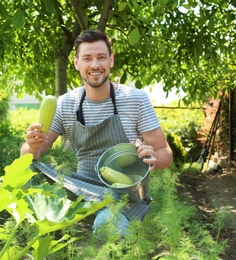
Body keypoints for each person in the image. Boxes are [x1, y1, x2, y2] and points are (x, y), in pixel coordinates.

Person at [20, 29, 173, 236]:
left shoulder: (135, 99)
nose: (95, 65)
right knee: (29, 177)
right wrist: (31, 145)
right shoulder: (65, 103)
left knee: (107, 227)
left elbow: (165, 153)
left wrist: (153, 158)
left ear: (111, 60)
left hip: (123, 195)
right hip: (80, 190)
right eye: (87, 58)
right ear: (76, 63)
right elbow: (31, 156)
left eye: (101, 57)